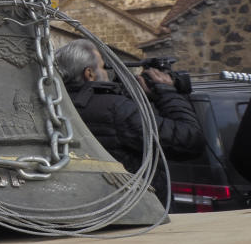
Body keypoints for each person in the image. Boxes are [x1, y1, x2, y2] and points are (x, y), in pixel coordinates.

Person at [55, 39, 204, 203]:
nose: (108, 75)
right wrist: (167, 93)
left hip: (82, 203)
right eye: (104, 68)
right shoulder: (116, 109)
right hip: (136, 207)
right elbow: (189, 140)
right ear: (89, 73)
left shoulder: (55, 107)